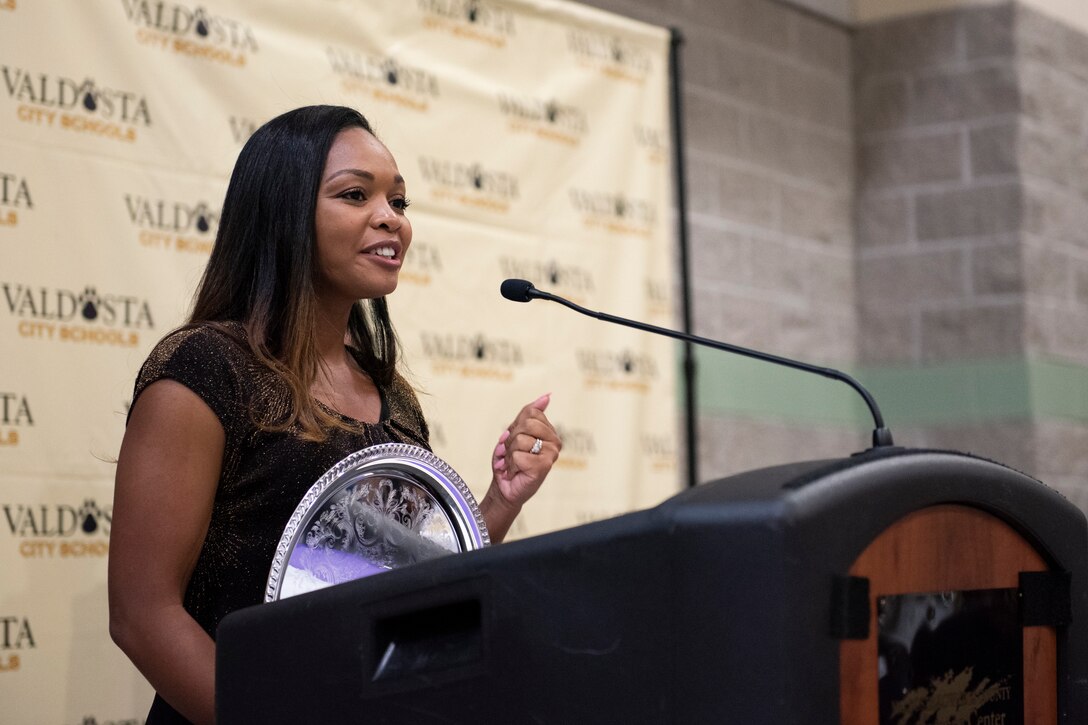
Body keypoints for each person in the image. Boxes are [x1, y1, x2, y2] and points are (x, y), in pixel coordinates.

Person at [107, 105, 561, 724]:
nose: (390, 219)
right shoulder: (206, 369)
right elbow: (141, 614)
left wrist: (499, 503)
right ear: (284, 212)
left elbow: (413, 585)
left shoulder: (390, 393)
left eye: (399, 203)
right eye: (356, 195)